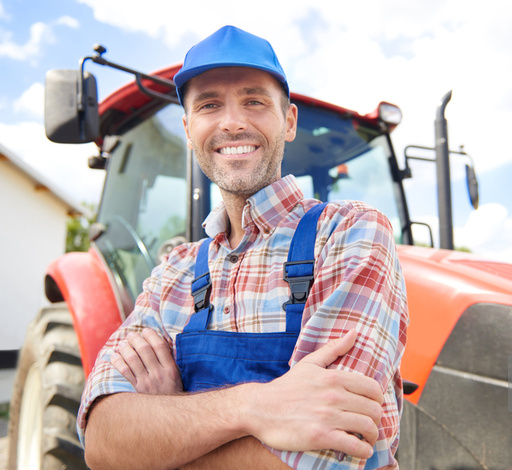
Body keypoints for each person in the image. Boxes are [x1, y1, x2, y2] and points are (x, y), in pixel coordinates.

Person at [78, 25, 409, 470]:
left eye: (254, 100)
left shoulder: (350, 235)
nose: (232, 121)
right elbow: (102, 443)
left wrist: (166, 428)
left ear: (288, 121)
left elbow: (329, 457)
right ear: (188, 128)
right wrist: (252, 408)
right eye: (209, 105)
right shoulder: (171, 273)